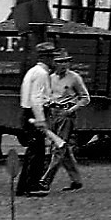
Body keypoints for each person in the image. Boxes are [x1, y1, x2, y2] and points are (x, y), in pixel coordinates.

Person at [14, 43, 64, 196]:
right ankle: (31, 186)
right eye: (53, 58)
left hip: (29, 113)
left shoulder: (33, 71)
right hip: (35, 114)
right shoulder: (42, 74)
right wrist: (41, 120)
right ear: (47, 58)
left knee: (33, 151)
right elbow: (36, 99)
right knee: (37, 153)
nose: (55, 62)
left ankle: (23, 187)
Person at [39, 50, 89, 192]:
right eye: (60, 61)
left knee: (58, 147)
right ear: (54, 63)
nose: (63, 64)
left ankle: (45, 180)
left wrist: (71, 110)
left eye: (66, 61)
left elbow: (85, 98)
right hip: (52, 113)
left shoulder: (74, 78)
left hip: (66, 114)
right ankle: (76, 180)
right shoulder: (50, 78)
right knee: (63, 149)